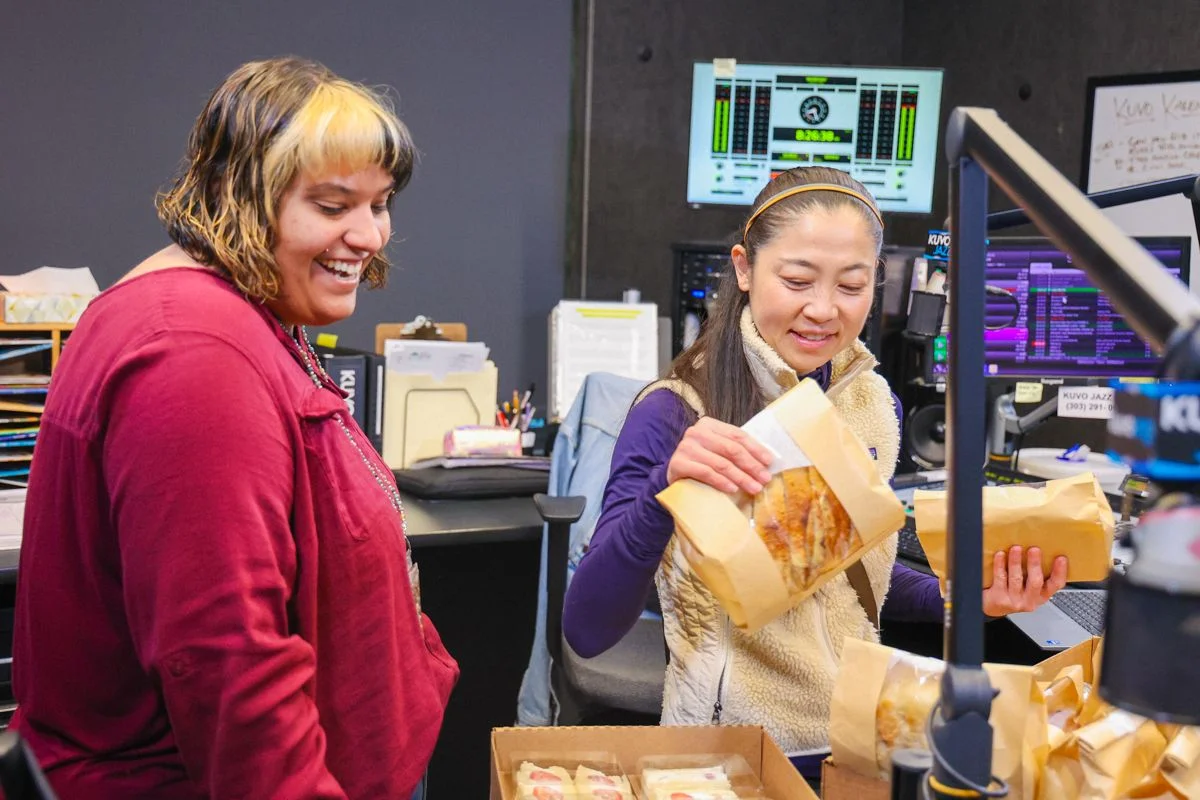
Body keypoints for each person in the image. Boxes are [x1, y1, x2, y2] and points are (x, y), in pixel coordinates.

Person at [10, 57, 457, 799]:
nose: (370, 235)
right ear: (240, 196)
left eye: (380, 205)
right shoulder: (193, 354)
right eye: (332, 204)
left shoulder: (243, 309)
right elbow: (228, 668)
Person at [561, 166, 1069, 786]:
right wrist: (660, 496)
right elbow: (587, 630)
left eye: (852, 285)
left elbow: (852, 581)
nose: (823, 310)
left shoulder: (874, 404)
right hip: (725, 759)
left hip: (854, 741)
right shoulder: (675, 412)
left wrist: (963, 596)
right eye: (797, 280)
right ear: (744, 269)